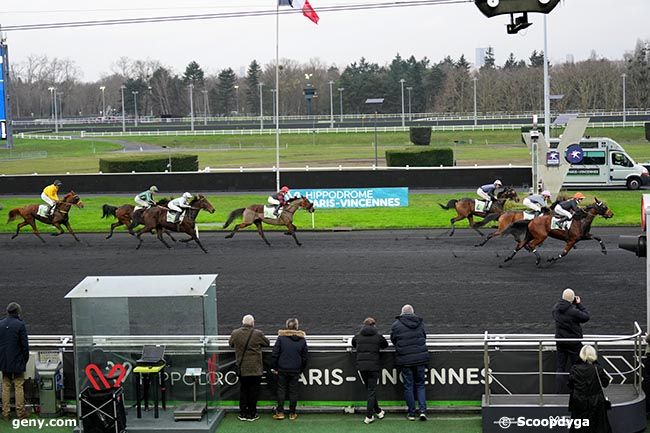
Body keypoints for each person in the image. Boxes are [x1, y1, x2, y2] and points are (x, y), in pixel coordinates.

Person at [390, 304, 430, 421]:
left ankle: (411, 413)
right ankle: (422, 411)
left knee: (408, 386)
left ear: (402, 313)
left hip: (405, 360)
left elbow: (394, 340)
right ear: (413, 312)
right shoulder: (420, 323)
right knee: (421, 385)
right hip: (420, 359)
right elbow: (424, 337)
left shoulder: (396, 325)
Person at [229, 314, 270, 422]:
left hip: (242, 368)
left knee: (243, 391)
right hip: (255, 368)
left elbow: (231, 344)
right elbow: (267, 343)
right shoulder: (258, 334)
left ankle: (243, 413)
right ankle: (252, 414)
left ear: (243, 322)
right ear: (253, 323)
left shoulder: (235, 333)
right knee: (253, 391)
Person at [352, 317, 388, 424]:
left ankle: (378, 411)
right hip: (373, 367)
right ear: (374, 325)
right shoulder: (378, 336)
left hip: (362, 367)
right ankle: (369, 416)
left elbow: (353, 344)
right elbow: (385, 345)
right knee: (371, 391)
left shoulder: (358, 336)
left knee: (369, 390)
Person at [568, 345, 612, 433]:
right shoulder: (597, 368)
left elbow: (570, 385)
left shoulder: (575, 368)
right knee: (598, 426)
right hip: (596, 401)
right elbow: (605, 383)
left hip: (579, 400)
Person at [553, 288, 590, 393]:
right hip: (574, 343)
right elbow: (586, 317)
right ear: (572, 299)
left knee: (560, 368)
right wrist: (579, 304)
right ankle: (577, 391)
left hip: (560, 342)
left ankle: (558, 391)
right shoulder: (573, 311)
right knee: (577, 368)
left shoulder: (555, 309)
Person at [271, 318, 308, 421]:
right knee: (293, 391)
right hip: (295, 369)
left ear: (287, 326)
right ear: (297, 327)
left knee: (281, 390)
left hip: (282, 369)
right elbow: (305, 357)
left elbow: (275, 354)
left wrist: (274, 367)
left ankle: (280, 412)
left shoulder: (281, 338)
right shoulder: (302, 340)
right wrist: (301, 369)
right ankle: (292, 413)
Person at [0, 303, 29, 421]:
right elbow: (25, 346)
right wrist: (24, 360)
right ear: (18, 311)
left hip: (4, 361)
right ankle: (20, 413)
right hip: (17, 361)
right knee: (18, 385)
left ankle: (5, 413)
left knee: (5, 386)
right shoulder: (20, 325)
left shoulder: (0, 324)